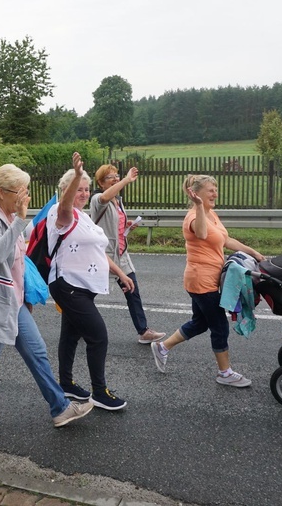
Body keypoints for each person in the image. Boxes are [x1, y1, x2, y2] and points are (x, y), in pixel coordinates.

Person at [0, 163, 93, 432]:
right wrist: (21, 219)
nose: (25, 197)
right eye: (20, 191)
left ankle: (60, 408)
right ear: (1, 193)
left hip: (13, 300)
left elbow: (18, 261)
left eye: (26, 191)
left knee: (37, 353)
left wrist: (26, 296)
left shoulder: (10, 218)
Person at [150, 174, 264, 387]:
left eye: (215, 189)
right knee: (219, 326)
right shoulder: (194, 216)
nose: (215, 193)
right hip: (201, 281)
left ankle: (162, 347)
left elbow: (226, 239)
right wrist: (199, 206)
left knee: (200, 322)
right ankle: (225, 373)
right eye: (210, 190)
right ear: (197, 193)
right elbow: (202, 234)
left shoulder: (212, 214)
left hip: (209, 279)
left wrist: (254, 252)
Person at [47, 152, 135, 411]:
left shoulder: (84, 217)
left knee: (70, 335)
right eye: (79, 189)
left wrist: (121, 274)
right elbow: (65, 206)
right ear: (66, 190)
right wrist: (75, 176)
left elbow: (99, 251)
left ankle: (65, 383)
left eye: (86, 189)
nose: (84, 193)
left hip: (84, 286)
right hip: (68, 284)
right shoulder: (60, 213)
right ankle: (100, 391)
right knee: (98, 336)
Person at [91, 164, 166, 344]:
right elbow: (105, 198)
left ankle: (144, 331)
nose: (115, 178)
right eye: (110, 177)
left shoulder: (118, 201)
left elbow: (113, 226)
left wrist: (127, 225)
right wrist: (125, 180)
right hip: (104, 256)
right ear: (101, 183)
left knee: (133, 291)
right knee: (87, 294)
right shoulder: (97, 199)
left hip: (121, 255)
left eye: (116, 175)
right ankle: (73, 323)